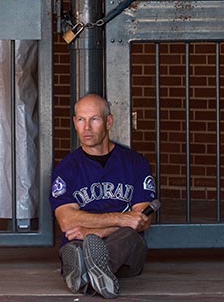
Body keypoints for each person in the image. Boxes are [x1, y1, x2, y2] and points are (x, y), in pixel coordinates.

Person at [50, 93, 157, 298]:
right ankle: (94, 274)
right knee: (76, 246)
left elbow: (143, 220)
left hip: (125, 253)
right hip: (80, 243)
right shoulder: (67, 168)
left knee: (129, 235)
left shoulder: (135, 163)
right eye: (81, 119)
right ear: (75, 122)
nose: (87, 128)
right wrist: (120, 218)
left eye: (94, 119)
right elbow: (67, 221)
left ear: (109, 121)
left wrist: (95, 232)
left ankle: (90, 273)